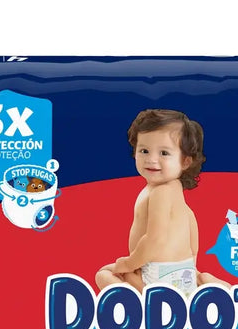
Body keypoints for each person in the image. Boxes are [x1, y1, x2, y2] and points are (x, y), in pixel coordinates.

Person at [95, 109, 229, 294]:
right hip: (184, 272)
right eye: (144, 150)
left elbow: (155, 239)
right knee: (198, 278)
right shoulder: (176, 191)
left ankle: (144, 301)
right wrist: (193, 266)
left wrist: (129, 263)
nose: (151, 159)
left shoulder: (160, 192)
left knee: (105, 274)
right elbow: (190, 223)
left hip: (156, 274)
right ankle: (205, 284)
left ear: (185, 161)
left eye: (164, 153)